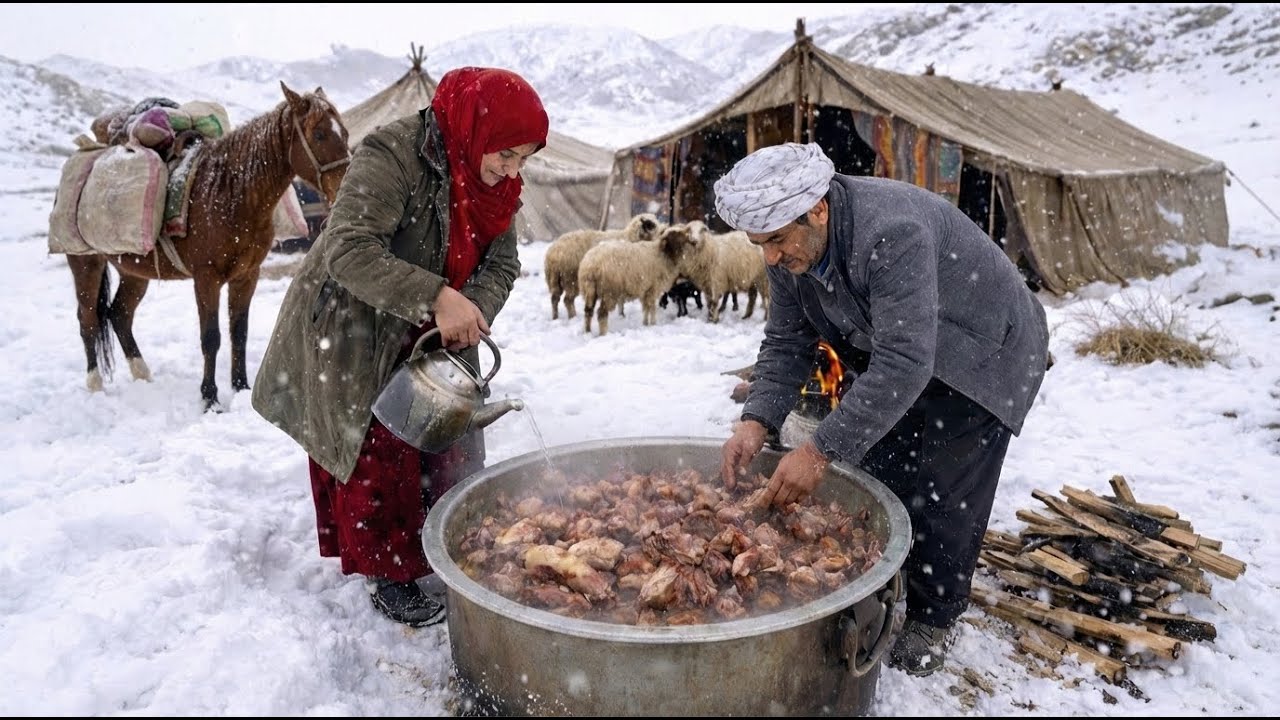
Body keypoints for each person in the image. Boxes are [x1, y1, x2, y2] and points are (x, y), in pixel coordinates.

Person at [715, 143, 1050, 676]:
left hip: (983, 351)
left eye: (776, 241)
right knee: (884, 473)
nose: (770, 257)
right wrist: (756, 421)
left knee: (945, 487)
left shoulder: (890, 233)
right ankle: (890, 575)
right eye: (760, 245)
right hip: (902, 349)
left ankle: (935, 616)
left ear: (818, 209)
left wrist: (820, 449)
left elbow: (905, 362)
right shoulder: (786, 247)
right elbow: (785, 342)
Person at [251, 67, 549, 627]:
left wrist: (470, 308)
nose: (512, 171)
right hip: (358, 320)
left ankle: (443, 541)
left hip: (440, 325)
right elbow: (348, 250)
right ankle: (389, 570)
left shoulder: (499, 184)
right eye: (506, 155)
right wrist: (436, 295)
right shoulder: (392, 154)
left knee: (451, 443)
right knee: (379, 452)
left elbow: (502, 262)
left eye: (523, 159)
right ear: (475, 129)